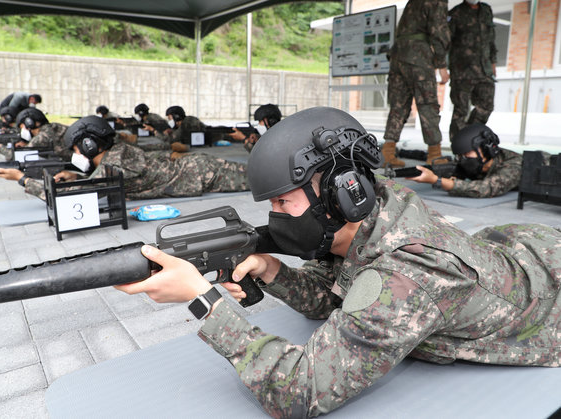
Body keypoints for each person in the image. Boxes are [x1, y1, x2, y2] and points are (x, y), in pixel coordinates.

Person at [115, 107, 561, 418]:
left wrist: (203, 302)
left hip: (548, 296)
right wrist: (274, 272)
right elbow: (338, 295)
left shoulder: (409, 278)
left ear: (342, 192)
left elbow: (299, 391)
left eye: (283, 202)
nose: (275, 217)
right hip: (510, 251)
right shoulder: (374, 209)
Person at [0, 116, 249, 200]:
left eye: (76, 149)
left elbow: (69, 194)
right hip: (198, 167)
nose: (75, 154)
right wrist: (78, 173)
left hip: (202, 175)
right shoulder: (115, 153)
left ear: (90, 145)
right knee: (263, 174)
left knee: (266, 178)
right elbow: (98, 176)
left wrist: (22, 179)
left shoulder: (113, 165)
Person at [382, 0, 451, 167]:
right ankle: (434, 154)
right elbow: (439, 31)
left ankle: (387, 153)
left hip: (398, 55)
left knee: (398, 106)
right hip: (418, 57)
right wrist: (442, 65)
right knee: (427, 103)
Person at [408, 123, 523, 197]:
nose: (464, 159)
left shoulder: (514, 164)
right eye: (460, 155)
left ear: (486, 149)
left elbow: (486, 188)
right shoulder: (481, 162)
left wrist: (436, 180)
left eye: (467, 153)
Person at [448, 0, 498, 141]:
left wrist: (493, 62)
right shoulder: (455, 13)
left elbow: (491, 39)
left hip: (484, 69)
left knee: (486, 106)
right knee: (461, 111)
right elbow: (445, 41)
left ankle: (470, 138)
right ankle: (459, 147)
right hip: (462, 71)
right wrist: (442, 67)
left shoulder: (486, 10)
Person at [0, 108, 71, 161]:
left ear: (30, 123)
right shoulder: (53, 126)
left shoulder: (41, 137)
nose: (22, 130)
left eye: (23, 127)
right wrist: (27, 145)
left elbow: (12, 156)